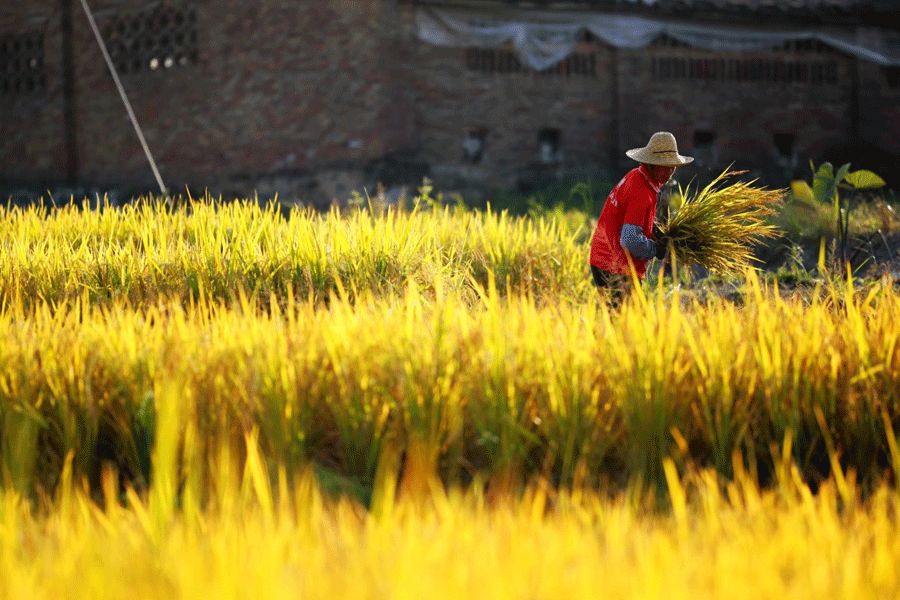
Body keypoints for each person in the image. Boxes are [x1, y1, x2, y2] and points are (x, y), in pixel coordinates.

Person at [589, 131, 693, 300]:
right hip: (614, 266)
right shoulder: (642, 192)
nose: (670, 172)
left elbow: (630, 221)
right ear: (651, 164)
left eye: (672, 167)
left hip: (604, 261)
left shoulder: (636, 176)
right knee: (630, 322)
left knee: (620, 321)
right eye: (665, 166)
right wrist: (655, 249)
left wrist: (655, 233)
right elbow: (629, 240)